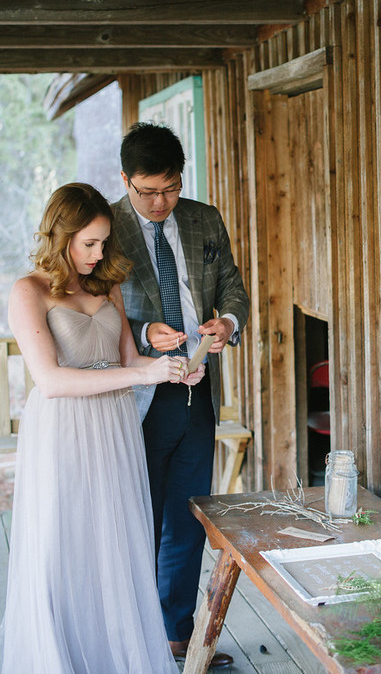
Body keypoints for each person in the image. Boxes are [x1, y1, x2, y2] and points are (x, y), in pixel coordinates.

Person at [2, 182, 206, 674]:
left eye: (103, 242)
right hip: (63, 430)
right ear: (60, 236)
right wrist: (145, 373)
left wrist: (175, 365)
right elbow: (49, 380)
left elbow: (129, 359)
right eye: (88, 243)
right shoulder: (27, 291)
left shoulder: (107, 284)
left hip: (115, 425)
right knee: (63, 541)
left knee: (114, 543)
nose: (98, 253)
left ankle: (114, 654)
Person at [111, 123, 249, 666]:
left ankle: (177, 635)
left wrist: (228, 322)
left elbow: (233, 285)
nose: (161, 201)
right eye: (147, 191)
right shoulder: (105, 225)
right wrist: (145, 334)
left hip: (197, 391)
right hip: (137, 395)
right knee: (136, 518)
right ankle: (132, 635)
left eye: (170, 187)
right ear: (125, 180)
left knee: (189, 517)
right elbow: (94, 305)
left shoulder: (203, 218)